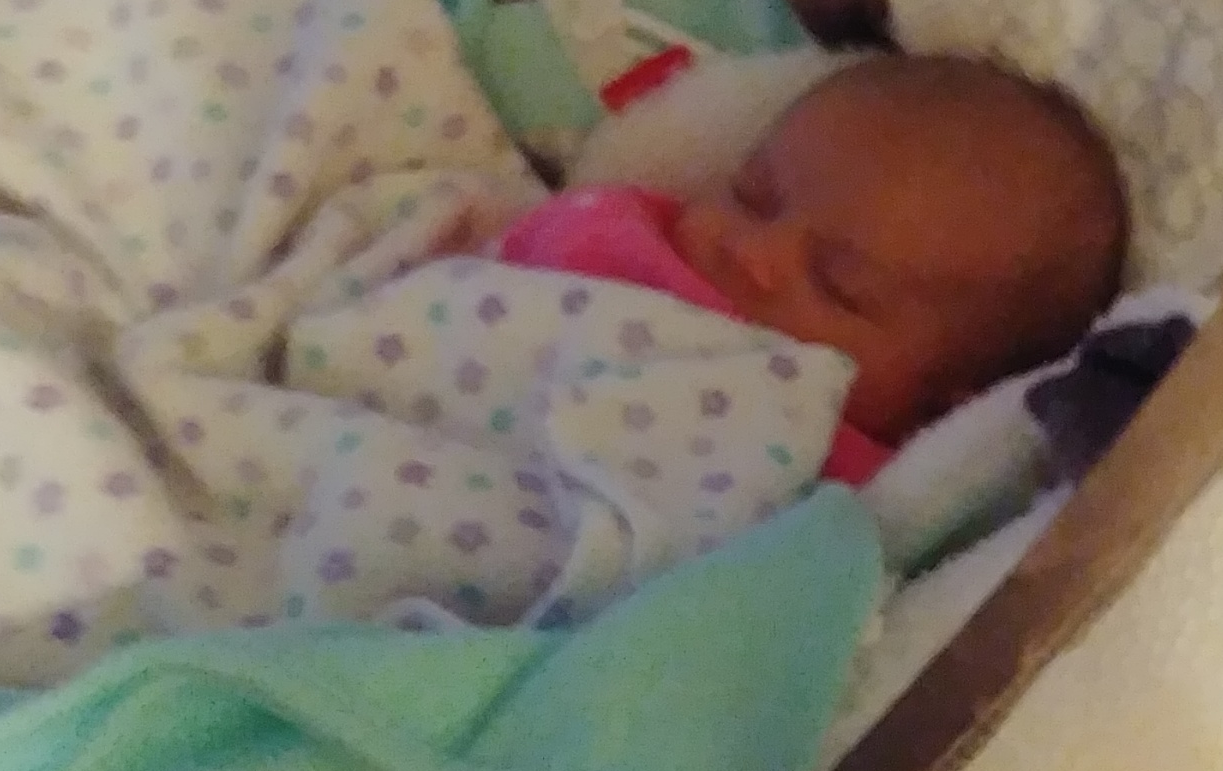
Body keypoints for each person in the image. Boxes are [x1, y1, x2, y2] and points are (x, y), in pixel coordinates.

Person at [459, 49, 1131, 481]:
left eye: (836, 286)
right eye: (752, 198)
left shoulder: (851, 485)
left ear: (947, 404)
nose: (754, 254)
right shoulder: (615, 233)